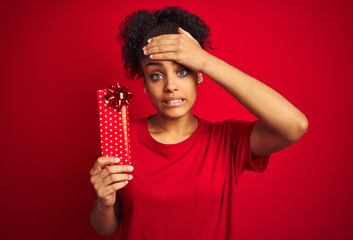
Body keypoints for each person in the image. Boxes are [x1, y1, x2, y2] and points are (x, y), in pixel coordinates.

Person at [89, 6, 308, 239]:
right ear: (144, 83)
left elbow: (295, 125)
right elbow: (107, 228)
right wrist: (103, 203)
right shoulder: (121, 136)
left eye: (183, 71)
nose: (170, 86)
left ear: (199, 75)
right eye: (156, 75)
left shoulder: (226, 140)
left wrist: (204, 60)